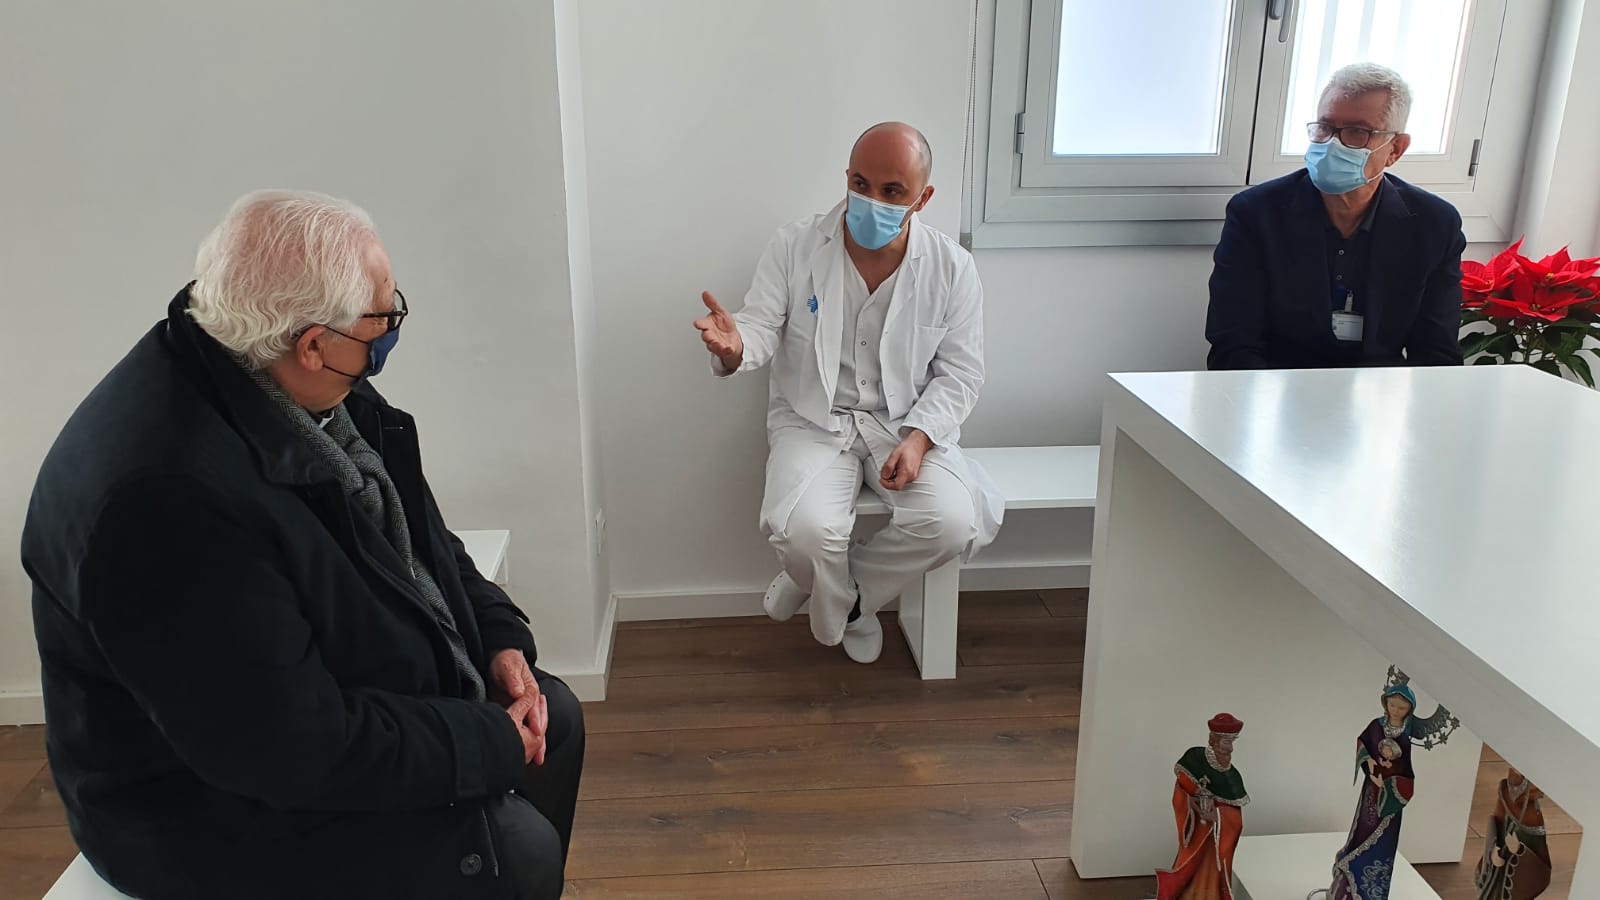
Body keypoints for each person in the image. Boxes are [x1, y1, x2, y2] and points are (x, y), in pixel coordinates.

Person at [21, 190, 584, 900]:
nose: (392, 325)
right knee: (513, 849)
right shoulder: (165, 500)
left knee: (555, 717)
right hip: (199, 808)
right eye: (383, 314)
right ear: (314, 344)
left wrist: (500, 639)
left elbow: (424, 540)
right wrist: (488, 742)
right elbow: (281, 745)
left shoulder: (289, 375)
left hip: (291, 705)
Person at [694, 122, 1002, 663]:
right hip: (814, 421)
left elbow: (961, 373)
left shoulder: (952, 268)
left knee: (952, 523)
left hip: (903, 424)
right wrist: (736, 347)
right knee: (805, 536)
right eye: (860, 184)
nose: (871, 200)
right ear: (846, 177)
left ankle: (843, 598)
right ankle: (837, 595)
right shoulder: (794, 246)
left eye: (892, 191)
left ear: (923, 198)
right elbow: (760, 325)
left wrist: (919, 439)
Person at [1206, 63, 1466, 370]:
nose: (1333, 144)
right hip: (1277, 386)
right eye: (1325, 127)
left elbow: (1437, 356)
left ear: (1395, 149)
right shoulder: (1256, 214)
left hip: (1380, 391)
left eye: (1357, 132)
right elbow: (1233, 344)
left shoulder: (1435, 224)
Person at [1156, 713, 1248, 900]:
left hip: (1216, 838)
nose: (1230, 749)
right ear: (1213, 740)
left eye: (1232, 742)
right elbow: (1181, 788)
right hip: (1195, 830)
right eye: (1226, 742)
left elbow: (1236, 818)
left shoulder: (1233, 777)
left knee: (1213, 875)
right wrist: (1189, 801)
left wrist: (1219, 816)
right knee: (1187, 869)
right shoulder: (1195, 758)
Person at [1475, 767, 1554, 899]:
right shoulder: (1505, 798)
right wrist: (1493, 854)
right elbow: (1495, 829)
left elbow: (1539, 859)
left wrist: (1519, 850)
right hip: (1497, 874)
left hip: (1516, 880)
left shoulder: (1531, 816)